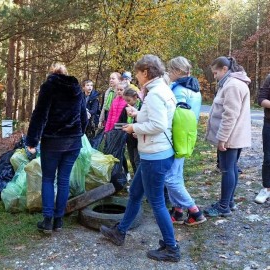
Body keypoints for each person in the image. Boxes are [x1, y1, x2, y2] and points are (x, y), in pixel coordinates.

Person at [100, 54, 180, 262]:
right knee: (135, 193)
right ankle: (120, 232)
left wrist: (133, 127)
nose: (136, 77)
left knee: (156, 203)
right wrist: (138, 115)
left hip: (156, 154)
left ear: (145, 72)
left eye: (137, 73)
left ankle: (171, 248)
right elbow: (155, 119)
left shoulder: (155, 94)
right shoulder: (161, 89)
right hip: (154, 152)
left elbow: (159, 125)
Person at [25, 63, 88, 234]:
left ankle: (47, 221)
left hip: (53, 141)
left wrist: (32, 140)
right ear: (66, 73)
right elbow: (83, 115)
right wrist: (79, 132)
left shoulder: (49, 86)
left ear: (52, 73)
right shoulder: (76, 88)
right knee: (63, 180)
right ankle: (59, 221)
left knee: (47, 179)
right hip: (73, 142)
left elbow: (39, 114)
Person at [204, 56, 251, 217]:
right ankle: (228, 201)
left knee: (227, 169)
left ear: (225, 69)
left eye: (216, 72)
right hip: (234, 135)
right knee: (231, 168)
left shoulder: (232, 85)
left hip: (230, 137)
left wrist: (222, 138)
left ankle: (224, 206)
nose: (214, 76)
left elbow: (230, 115)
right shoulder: (234, 83)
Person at [165, 56, 206, 225]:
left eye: (169, 70)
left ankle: (194, 211)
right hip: (188, 136)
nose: (168, 73)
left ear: (176, 71)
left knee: (170, 178)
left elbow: (176, 117)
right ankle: (178, 210)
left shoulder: (179, 90)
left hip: (177, 137)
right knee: (177, 174)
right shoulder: (194, 88)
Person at [118, 88, 142, 174]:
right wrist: (120, 126)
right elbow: (121, 120)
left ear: (135, 97)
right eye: (125, 100)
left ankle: (140, 180)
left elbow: (144, 122)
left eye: (129, 100)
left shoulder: (142, 107)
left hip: (139, 139)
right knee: (132, 159)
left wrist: (137, 131)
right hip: (129, 138)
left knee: (137, 160)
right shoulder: (125, 107)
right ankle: (136, 178)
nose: (127, 103)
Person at [255, 74, 270, 203]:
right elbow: (260, 100)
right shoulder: (269, 78)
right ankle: (266, 189)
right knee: (268, 158)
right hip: (269, 124)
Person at [82, 79, 100, 144]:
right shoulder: (80, 96)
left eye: (91, 85)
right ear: (83, 87)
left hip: (91, 121)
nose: (90, 87)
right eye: (88, 85)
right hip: (81, 120)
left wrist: (87, 112)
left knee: (89, 140)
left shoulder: (95, 98)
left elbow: (94, 110)